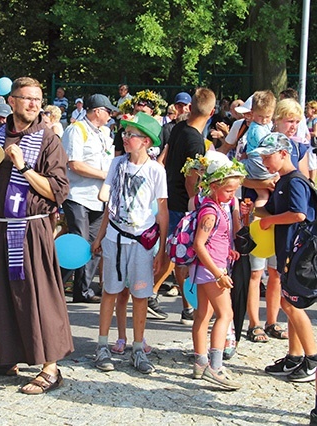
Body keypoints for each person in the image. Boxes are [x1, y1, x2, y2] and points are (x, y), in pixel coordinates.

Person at [0, 77, 73, 395]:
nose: (34, 104)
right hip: (0, 225)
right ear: (12, 101)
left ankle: (51, 367)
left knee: (38, 296)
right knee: (1, 294)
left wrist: (24, 168)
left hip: (30, 228)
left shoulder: (47, 139)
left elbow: (57, 191)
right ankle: (6, 357)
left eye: (38, 99)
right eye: (27, 98)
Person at [91, 112, 167, 374]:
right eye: (124, 134)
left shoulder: (156, 171)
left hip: (141, 242)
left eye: (131, 135)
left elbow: (162, 212)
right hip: (115, 237)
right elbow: (108, 200)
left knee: (141, 295)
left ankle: (138, 348)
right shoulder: (117, 164)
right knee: (110, 291)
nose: (125, 138)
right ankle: (102, 346)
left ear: (145, 141)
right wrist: (100, 236)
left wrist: (162, 249)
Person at [250, 134, 317, 424]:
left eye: (268, 156)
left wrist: (269, 220)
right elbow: (274, 211)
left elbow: (299, 214)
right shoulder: (282, 183)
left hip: (299, 255)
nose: (264, 162)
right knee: (290, 305)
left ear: (283, 153)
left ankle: (312, 359)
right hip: (287, 252)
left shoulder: (296, 181)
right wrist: (255, 211)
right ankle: (294, 356)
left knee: (292, 306)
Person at [182, 152, 246, 390]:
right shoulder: (211, 211)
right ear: (214, 186)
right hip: (212, 270)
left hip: (207, 267)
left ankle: (200, 362)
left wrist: (228, 250)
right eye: (229, 191)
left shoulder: (214, 206)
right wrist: (219, 273)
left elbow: (212, 239)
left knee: (202, 315)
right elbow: (200, 244)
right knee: (225, 314)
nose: (232, 195)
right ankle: (215, 367)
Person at [163, 87, 216, 325]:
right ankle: (150, 293)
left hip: (170, 196)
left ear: (191, 107)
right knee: (179, 256)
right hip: (183, 203)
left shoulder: (178, 129)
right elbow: (191, 178)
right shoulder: (196, 140)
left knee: (178, 256)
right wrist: (197, 205)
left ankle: (186, 307)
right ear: (212, 111)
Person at [61, 94, 116, 303]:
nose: (110, 115)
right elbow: (74, 164)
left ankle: (82, 291)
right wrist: (105, 175)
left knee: (95, 245)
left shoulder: (104, 132)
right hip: (78, 196)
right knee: (79, 243)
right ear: (97, 111)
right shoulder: (76, 130)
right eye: (107, 111)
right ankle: (55, 286)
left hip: (99, 198)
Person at [239, 90, 277, 208]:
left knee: (263, 195)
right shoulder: (257, 129)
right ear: (252, 113)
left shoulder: (261, 126)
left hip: (258, 164)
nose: (264, 120)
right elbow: (266, 147)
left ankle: (257, 218)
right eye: (260, 116)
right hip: (258, 164)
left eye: (268, 117)